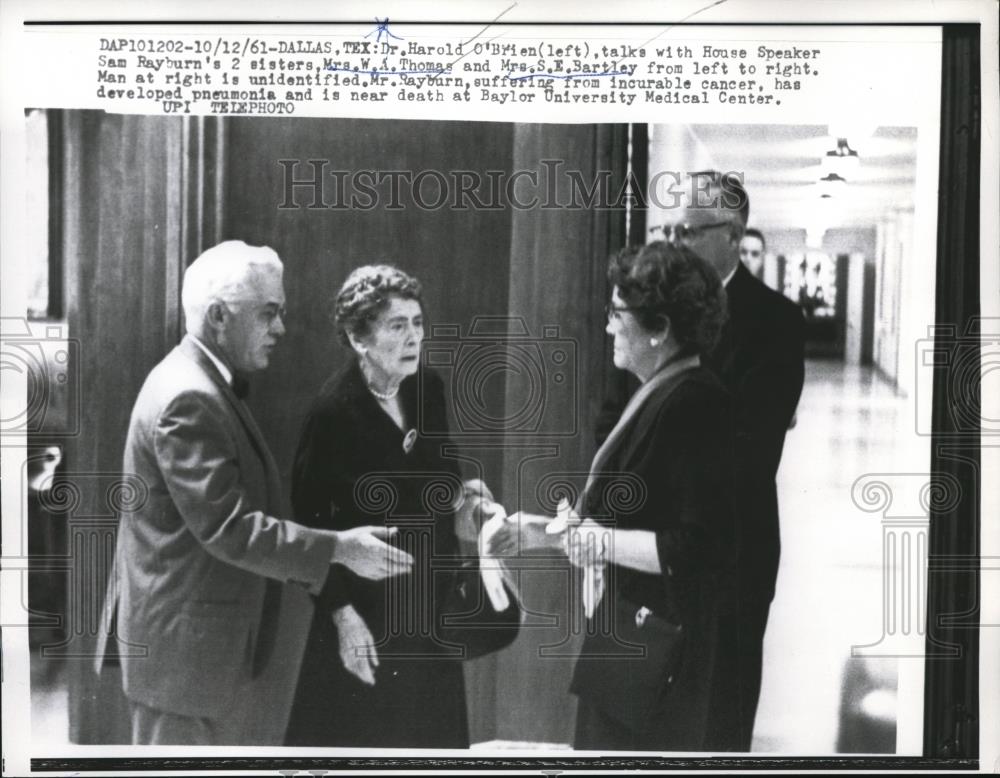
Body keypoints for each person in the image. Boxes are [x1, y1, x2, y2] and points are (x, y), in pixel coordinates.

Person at [94, 241, 414, 745]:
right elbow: (230, 528)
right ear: (219, 316)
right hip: (184, 661)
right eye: (269, 314)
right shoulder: (188, 398)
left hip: (191, 653)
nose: (281, 329)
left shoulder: (201, 381)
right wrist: (340, 547)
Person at [502, 242, 739, 750]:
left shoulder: (697, 403)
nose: (608, 325)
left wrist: (597, 542)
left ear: (659, 328)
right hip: (629, 635)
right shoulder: (661, 391)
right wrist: (540, 535)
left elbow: (697, 548)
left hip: (660, 650)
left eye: (617, 313)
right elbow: (620, 524)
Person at [284, 264, 517, 748]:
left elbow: (443, 476)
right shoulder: (332, 414)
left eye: (417, 323)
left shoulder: (426, 388)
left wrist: (467, 502)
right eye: (397, 326)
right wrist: (343, 618)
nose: (414, 337)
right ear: (357, 337)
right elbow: (308, 529)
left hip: (430, 610)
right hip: (365, 618)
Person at [669, 171, 805, 750]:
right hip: (660, 542)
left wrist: (663, 471)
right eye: (675, 230)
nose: (678, 244)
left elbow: (753, 449)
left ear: (732, 233)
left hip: (734, 547)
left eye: (691, 232)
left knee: (721, 708)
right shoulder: (661, 311)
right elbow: (616, 411)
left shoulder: (775, 320)